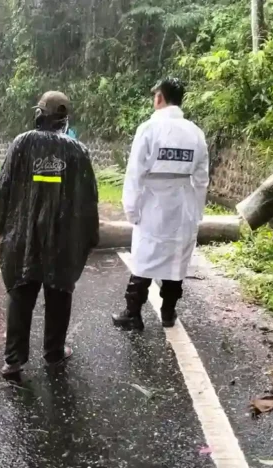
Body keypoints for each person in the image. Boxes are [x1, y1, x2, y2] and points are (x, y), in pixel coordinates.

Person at [0, 91, 99, 378]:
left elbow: (2, 187)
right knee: (59, 293)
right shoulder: (78, 151)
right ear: (65, 120)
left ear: (39, 115)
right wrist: (90, 237)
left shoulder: (22, 143)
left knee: (21, 294)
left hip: (23, 237)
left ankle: (14, 360)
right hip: (63, 239)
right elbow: (89, 198)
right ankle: (54, 353)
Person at [112, 77, 209, 330]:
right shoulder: (195, 133)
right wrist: (197, 211)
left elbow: (135, 173)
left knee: (144, 257)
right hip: (183, 202)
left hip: (152, 202)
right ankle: (168, 313)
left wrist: (131, 209)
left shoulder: (148, 129)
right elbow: (201, 178)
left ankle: (133, 314)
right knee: (176, 261)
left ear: (159, 98)